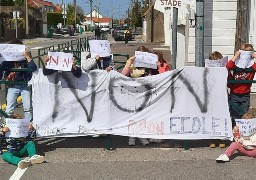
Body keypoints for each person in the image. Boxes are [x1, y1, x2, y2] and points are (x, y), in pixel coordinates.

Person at [121, 46, 159, 146]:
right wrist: (129, 63)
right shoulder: (132, 66)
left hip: (146, 94)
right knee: (133, 115)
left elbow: (158, 76)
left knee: (144, 115)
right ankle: (132, 137)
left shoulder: (150, 67)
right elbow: (123, 75)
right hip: (133, 94)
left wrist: (155, 65)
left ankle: (142, 136)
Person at [0, 39, 37, 121]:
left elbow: (34, 68)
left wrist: (27, 57)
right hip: (12, 85)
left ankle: (28, 125)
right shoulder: (8, 60)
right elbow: (1, 68)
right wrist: (3, 57)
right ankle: (8, 125)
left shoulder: (25, 58)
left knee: (28, 108)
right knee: (9, 108)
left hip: (25, 85)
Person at [227, 43, 256, 124]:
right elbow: (228, 66)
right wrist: (236, 56)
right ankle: (235, 127)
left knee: (244, 113)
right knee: (234, 113)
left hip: (245, 93)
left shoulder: (252, 65)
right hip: (234, 93)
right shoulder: (236, 64)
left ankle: (243, 128)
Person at [207, 51, 226, 148]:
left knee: (221, 117)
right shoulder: (207, 71)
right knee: (211, 117)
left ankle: (221, 138)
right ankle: (212, 138)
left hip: (222, 96)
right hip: (211, 97)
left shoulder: (224, 70)